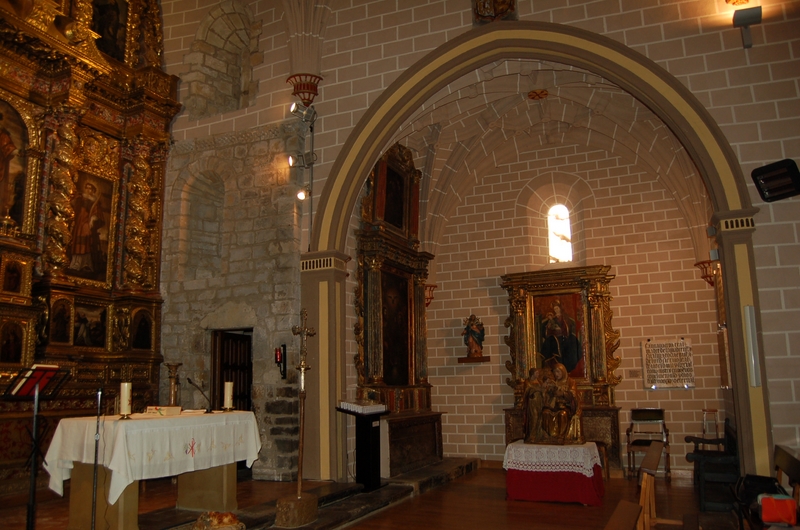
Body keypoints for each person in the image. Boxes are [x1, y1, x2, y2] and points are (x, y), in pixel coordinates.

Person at [69, 181, 107, 276]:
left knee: (86, 241)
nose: (88, 190)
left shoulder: (94, 202)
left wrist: (93, 219)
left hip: (86, 223)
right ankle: (76, 263)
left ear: (93, 190)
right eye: (87, 188)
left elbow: (97, 213)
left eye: (90, 188)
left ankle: (85, 264)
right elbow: (73, 205)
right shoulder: (80, 198)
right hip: (79, 222)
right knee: (77, 240)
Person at [540, 300, 582, 375]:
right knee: (550, 343)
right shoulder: (553, 318)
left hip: (565, 336)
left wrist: (561, 330)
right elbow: (547, 330)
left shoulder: (565, 317)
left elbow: (567, 327)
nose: (556, 310)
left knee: (572, 343)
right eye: (555, 309)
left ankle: (568, 368)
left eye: (557, 308)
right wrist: (550, 328)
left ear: (560, 308)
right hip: (554, 337)